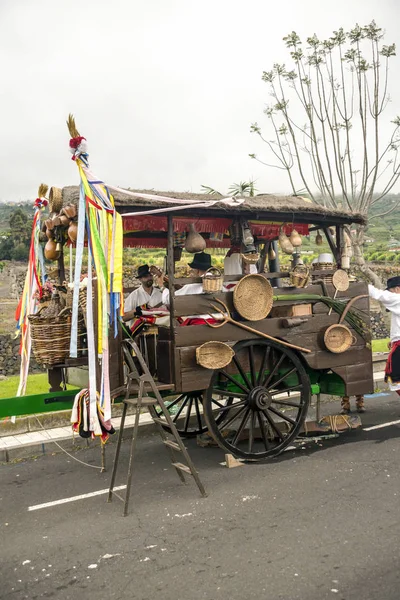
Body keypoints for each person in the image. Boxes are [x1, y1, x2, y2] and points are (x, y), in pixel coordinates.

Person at [368, 276, 400, 394]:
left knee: (395, 377)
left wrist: (361, 285)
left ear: (397, 289)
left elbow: (378, 294)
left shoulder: (398, 298)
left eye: (390, 291)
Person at [123, 264, 163, 329]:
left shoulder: (161, 293)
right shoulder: (134, 296)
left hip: (161, 332)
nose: (149, 278)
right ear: (140, 279)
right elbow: (124, 317)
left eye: (150, 275)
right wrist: (137, 311)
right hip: (140, 335)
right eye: (146, 276)